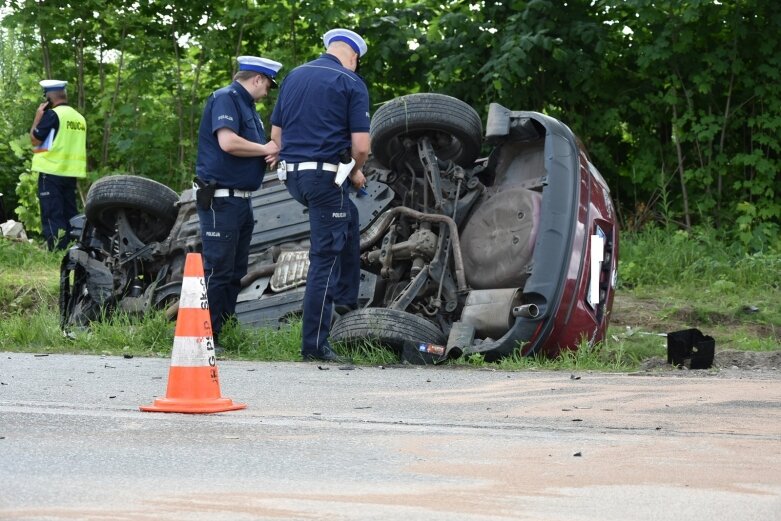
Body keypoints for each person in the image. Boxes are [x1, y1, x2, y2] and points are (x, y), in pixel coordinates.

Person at [270, 28, 370, 362]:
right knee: (323, 260)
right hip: (324, 179)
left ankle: (345, 300)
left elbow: (276, 136)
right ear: (353, 56)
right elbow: (361, 146)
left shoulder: (293, 76)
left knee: (350, 219)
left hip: (294, 179)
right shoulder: (351, 82)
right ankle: (314, 345)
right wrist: (354, 170)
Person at [195, 55, 282, 349]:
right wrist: (264, 148)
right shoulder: (226, 97)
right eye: (268, 85)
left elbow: (252, 148)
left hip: (241, 202)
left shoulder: (247, 107)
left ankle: (225, 331)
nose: (267, 91)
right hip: (222, 200)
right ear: (257, 79)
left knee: (234, 272)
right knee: (218, 270)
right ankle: (207, 336)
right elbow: (228, 142)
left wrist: (266, 153)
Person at [29, 80, 87, 250]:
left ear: (49, 97)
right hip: (70, 172)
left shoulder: (52, 115)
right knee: (70, 212)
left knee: (52, 213)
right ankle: (75, 248)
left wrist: (37, 118)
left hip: (51, 171)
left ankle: (56, 250)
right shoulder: (79, 118)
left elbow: (35, 140)